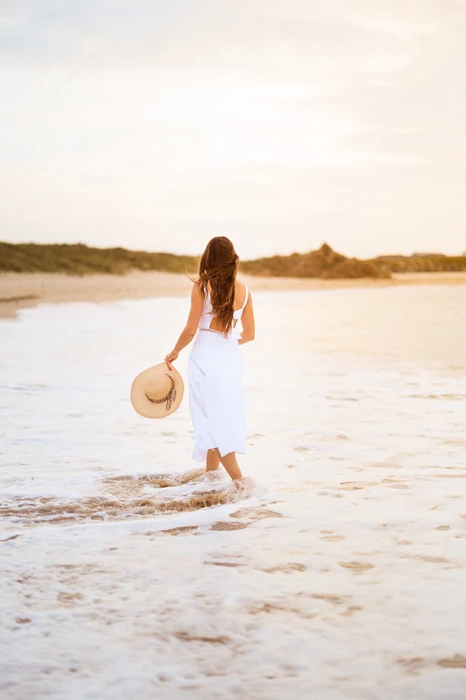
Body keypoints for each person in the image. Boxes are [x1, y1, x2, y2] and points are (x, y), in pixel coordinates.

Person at [164, 236, 255, 482]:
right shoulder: (244, 290)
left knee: (211, 421)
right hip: (230, 358)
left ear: (209, 258)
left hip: (204, 356)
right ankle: (211, 480)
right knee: (219, 416)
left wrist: (175, 351)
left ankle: (241, 483)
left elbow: (191, 329)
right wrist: (226, 343)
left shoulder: (202, 287)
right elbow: (250, 334)